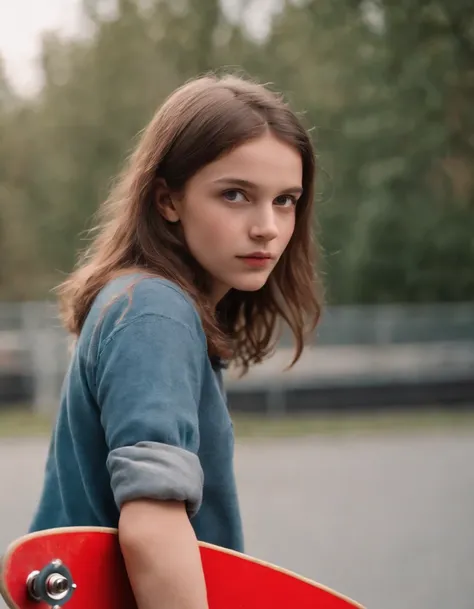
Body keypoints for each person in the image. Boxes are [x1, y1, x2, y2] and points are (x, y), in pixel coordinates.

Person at [28, 72, 323, 609]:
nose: (268, 227)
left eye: (285, 200)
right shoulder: (155, 312)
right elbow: (152, 526)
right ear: (167, 199)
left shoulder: (145, 304)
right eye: (235, 194)